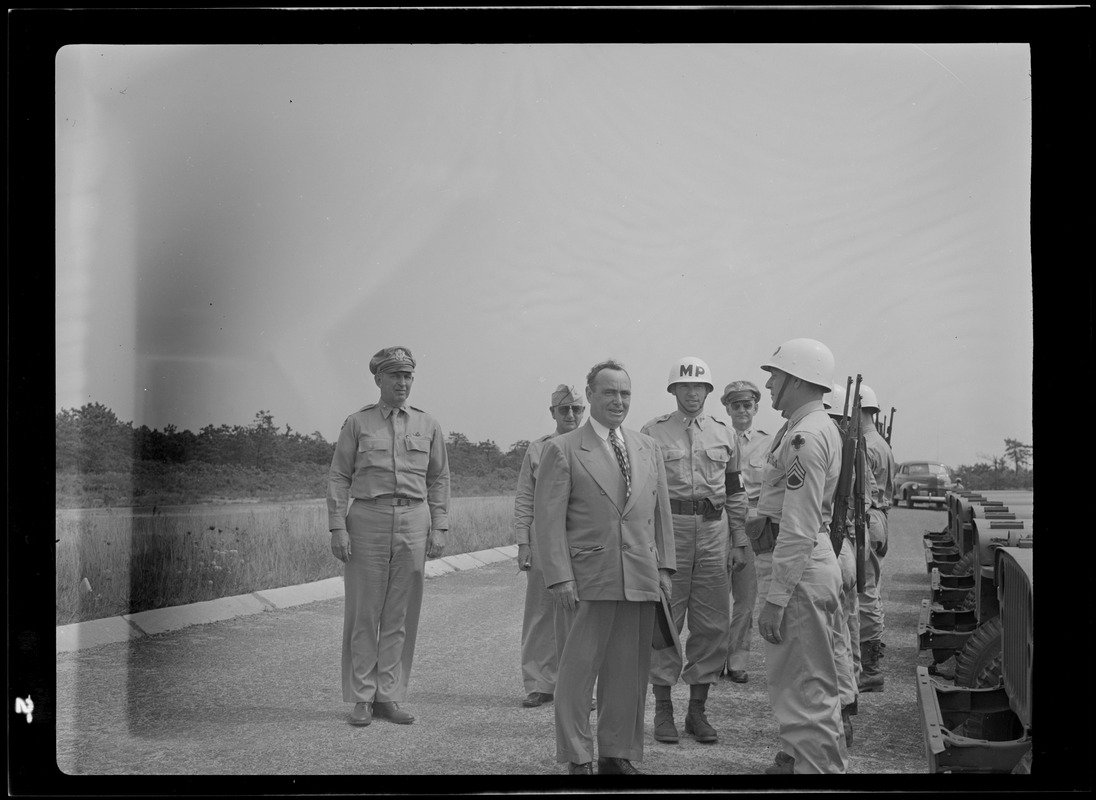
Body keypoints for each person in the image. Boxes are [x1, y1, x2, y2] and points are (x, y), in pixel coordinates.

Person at [534, 359, 675, 775]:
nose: (618, 400)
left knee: (628, 675)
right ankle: (578, 757)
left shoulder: (647, 446)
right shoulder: (561, 449)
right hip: (586, 579)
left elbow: (660, 514)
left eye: (625, 393)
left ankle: (616, 754)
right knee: (577, 675)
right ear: (590, 395)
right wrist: (559, 577)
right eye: (609, 392)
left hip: (639, 577)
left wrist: (664, 568)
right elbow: (549, 520)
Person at [327, 346, 450, 727]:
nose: (402, 382)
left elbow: (439, 477)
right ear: (378, 379)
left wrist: (440, 524)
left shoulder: (428, 424)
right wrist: (337, 527)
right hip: (367, 517)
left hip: (415, 518)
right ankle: (362, 697)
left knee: (400, 614)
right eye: (394, 375)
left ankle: (388, 696)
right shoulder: (358, 423)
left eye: (408, 375)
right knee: (365, 612)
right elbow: (339, 476)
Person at [641, 357, 748, 745]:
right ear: (673, 391)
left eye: (698, 387)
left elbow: (736, 491)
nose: (691, 393)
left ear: (708, 391)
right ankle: (664, 709)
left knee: (713, 622)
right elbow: (643, 493)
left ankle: (697, 711)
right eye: (684, 387)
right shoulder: (652, 432)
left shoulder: (724, 434)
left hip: (714, 532)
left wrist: (738, 541)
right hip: (670, 534)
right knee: (665, 621)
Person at [753, 338, 847, 774]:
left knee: (807, 693)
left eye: (775, 375)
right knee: (804, 683)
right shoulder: (802, 428)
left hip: (800, 570)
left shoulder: (804, 438)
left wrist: (777, 597)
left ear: (796, 378)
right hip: (807, 565)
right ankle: (801, 762)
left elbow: (798, 526)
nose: (769, 383)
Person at [513, 384, 585, 708]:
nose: (570, 415)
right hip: (543, 537)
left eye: (576, 409)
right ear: (552, 412)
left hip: (584, 538)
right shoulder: (537, 449)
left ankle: (581, 686)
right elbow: (524, 499)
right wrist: (523, 542)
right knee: (541, 612)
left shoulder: (596, 445)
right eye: (563, 409)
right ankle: (538, 683)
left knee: (583, 613)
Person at [719, 379, 772, 685]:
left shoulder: (769, 442)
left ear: (755, 407)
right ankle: (713, 659)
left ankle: (737, 660)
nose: (741, 410)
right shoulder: (718, 438)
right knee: (713, 597)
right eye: (735, 405)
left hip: (752, 525)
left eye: (747, 405)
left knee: (745, 598)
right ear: (727, 408)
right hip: (717, 521)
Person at [823, 381, 861, 747]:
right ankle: (847, 709)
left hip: (831, 545)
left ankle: (840, 714)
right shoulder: (849, 445)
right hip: (842, 544)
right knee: (845, 632)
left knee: (832, 637)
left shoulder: (824, 441)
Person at [854, 383, 897, 694]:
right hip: (879, 518)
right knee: (870, 589)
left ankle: (870, 668)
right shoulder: (879, 442)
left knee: (865, 591)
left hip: (869, 518)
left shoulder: (867, 446)